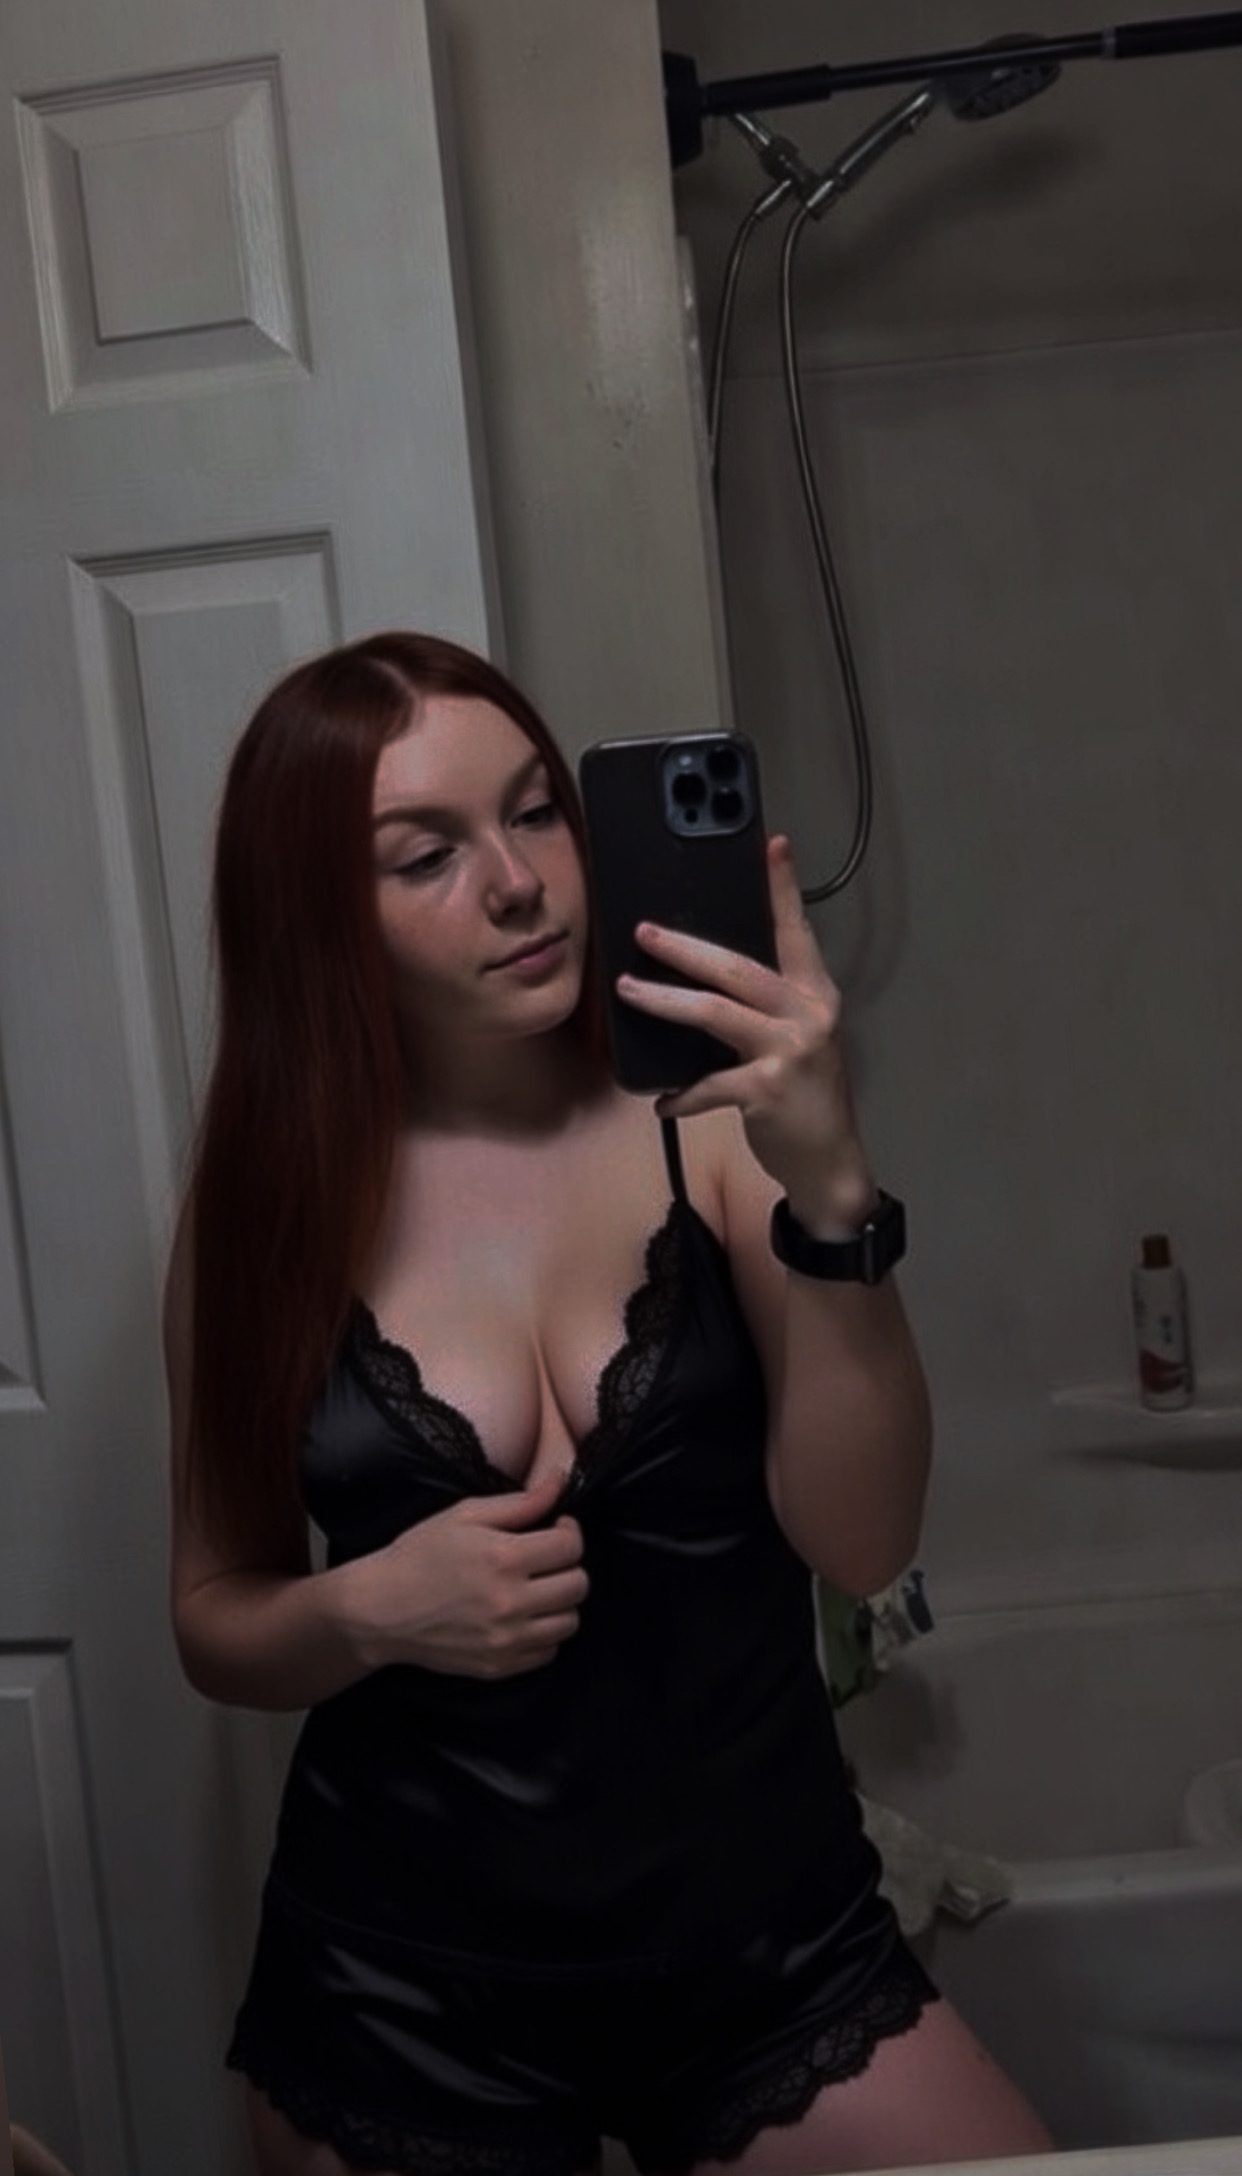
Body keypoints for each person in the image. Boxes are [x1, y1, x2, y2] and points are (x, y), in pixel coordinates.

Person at [165, 631, 1052, 2176]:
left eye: (534, 811)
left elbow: (859, 1544)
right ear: (317, 916)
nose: (519, 883)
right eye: (426, 855)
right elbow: (212, 1615)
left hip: (768, 1951)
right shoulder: (259, 1223)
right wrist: (369, 1610)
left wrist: (833, 1190)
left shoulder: (706, 1129)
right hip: (402, 1983)